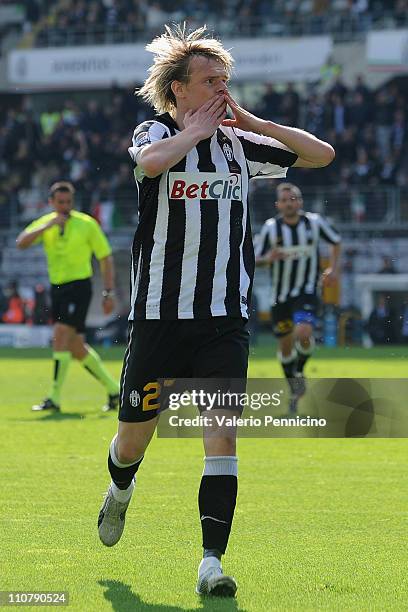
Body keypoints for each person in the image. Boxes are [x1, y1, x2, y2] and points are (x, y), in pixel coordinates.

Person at [97, 24, 335, 598]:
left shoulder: (238, 144)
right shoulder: (157, 128)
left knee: (221, 436)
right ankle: (121, 490)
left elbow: (320, 154)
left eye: (226, 80)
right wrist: (195, 130)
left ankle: (210, 562)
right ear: (178, 88)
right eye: (210, 81)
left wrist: (251, 123)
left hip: (223, 319)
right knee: (134, 439)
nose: (221, 90)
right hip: (157, 318)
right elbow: (151, 163)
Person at [16, 181, 120, 412]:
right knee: (75, 347)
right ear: (51, 203)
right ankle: (115, 391)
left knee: (60, 335)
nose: (64, 207)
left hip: (79, 287)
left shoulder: (86, 224)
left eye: (68, 202)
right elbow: (21, 243)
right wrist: (46, 226)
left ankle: (53, 396)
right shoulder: (46, 223)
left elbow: (105, 257)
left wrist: (108, 292)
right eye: (60, 202)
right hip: (58, 289)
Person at [255, 182, 341, 413]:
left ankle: (299, 370)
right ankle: (295, 385)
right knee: (284, 347)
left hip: (307, 290)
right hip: (280, 296)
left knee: (303, 333)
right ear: (278, 204)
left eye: (292, 198)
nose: (289, 202)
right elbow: (255, 259)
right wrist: (268, 259)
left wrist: (333, 269)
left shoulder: (314, 222)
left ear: (299, 201)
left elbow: (335, 241)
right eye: (284, 199)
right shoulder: (271, 228)